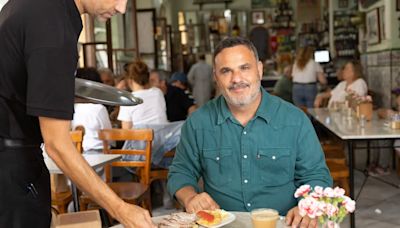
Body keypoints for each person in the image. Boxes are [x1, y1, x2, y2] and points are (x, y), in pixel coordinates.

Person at [0, 0, 155, 227]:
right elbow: (57, 145)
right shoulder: (53, 24)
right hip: (10, 168)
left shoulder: (40, 7)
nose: (122, 9)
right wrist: (121, 209)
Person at [167, 37, 332, 228]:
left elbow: (316, 175)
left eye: (244, 68)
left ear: (260, 69)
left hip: (283, 224)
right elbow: (181, 172)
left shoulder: (295, 120)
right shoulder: (198, 123)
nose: (236, 79)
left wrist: (308, 206)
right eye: (226, 71)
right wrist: (190, 197)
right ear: (216, 77)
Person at [117, 60, 168, 129]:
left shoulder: (128, 99)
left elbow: (126, 130)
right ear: (148, 77)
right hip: (162, 137)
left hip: (140, 138)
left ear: (129, 80)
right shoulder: (158, 92)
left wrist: (118, 90)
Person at [73, 68, 112, 154]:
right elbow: (110, 138)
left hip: (75, 155)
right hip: (99, 155)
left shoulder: (71, 108)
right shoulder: (99, 108)